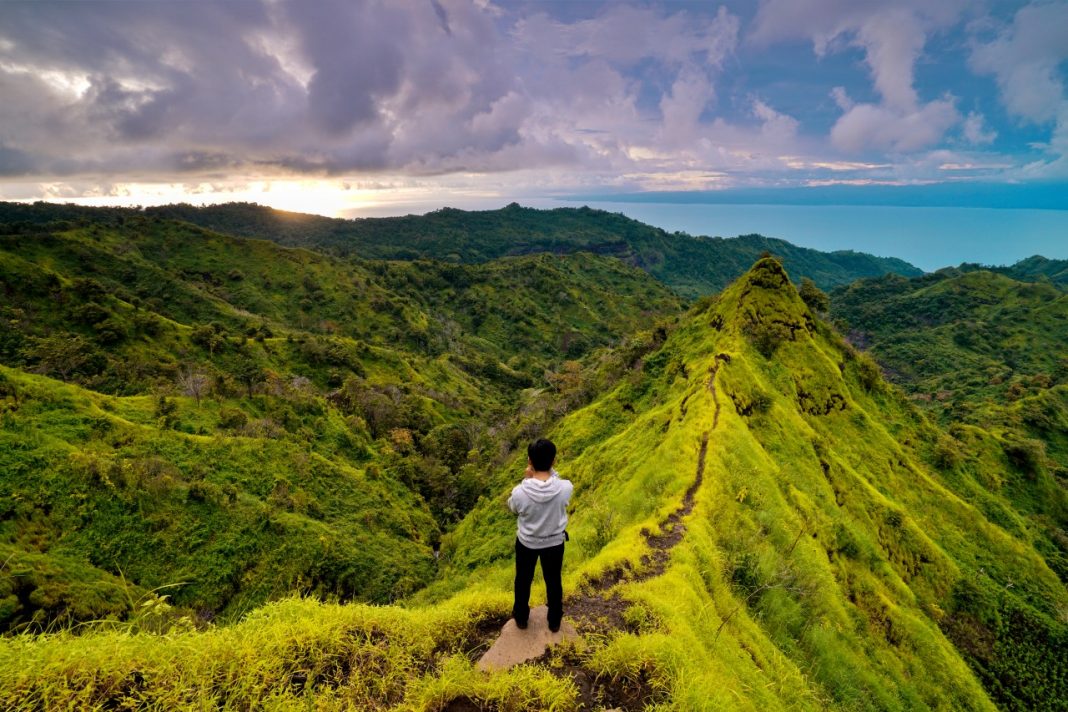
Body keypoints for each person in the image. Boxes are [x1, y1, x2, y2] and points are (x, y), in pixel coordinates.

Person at [507, 438, 573, 633]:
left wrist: (528, 478)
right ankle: (554, 621)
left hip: (527, 543)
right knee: (553, 580)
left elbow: (513, 507)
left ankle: (521, 617)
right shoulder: (565, 488)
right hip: (554, 543)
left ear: (529, 461)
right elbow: (558, 482)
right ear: (553, 462)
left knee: (523, 580)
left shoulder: (520, 492)